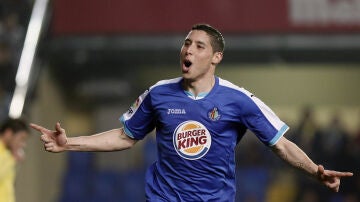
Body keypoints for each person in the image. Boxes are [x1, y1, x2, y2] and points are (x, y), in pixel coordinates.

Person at [30, 24, 353, 201]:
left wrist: (314, 171)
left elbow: (280, 143)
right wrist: (69, 143)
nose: (188, 49)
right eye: (186, 43)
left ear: (216, 58)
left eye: (199, 45)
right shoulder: (159, 93)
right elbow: (124, 136)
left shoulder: (238, 100)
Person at [0, 118, 29, 202]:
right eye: (21, 139)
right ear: (9, 133)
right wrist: (13, 159)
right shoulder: (9, 157)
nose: (23, 144)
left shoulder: (8, 154)